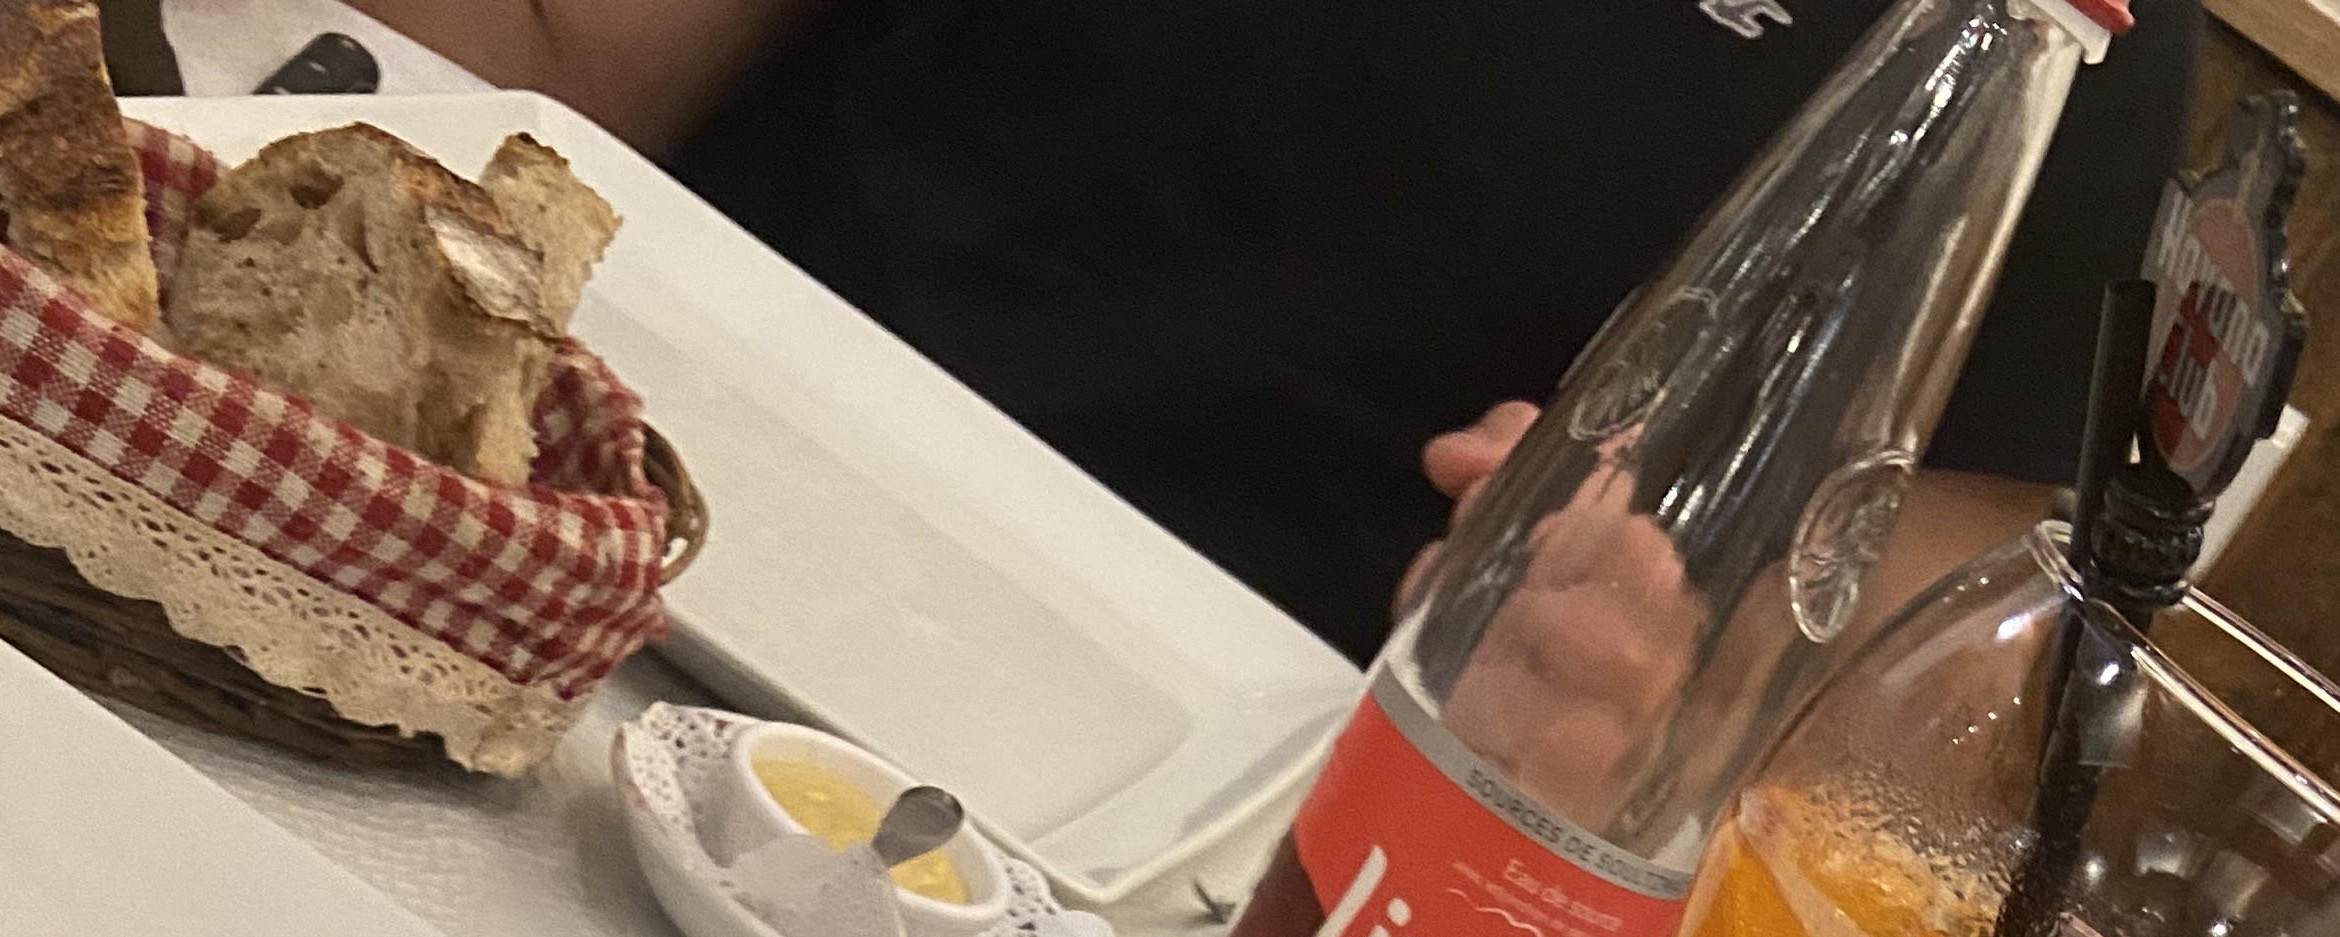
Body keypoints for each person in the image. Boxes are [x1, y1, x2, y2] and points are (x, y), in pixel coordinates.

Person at [375, 0, 2200, 661]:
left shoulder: (2067, 36)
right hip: (565, 520)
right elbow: (533, 69)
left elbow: (1880, 696)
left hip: (1209, 894)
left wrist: (1651, 670)